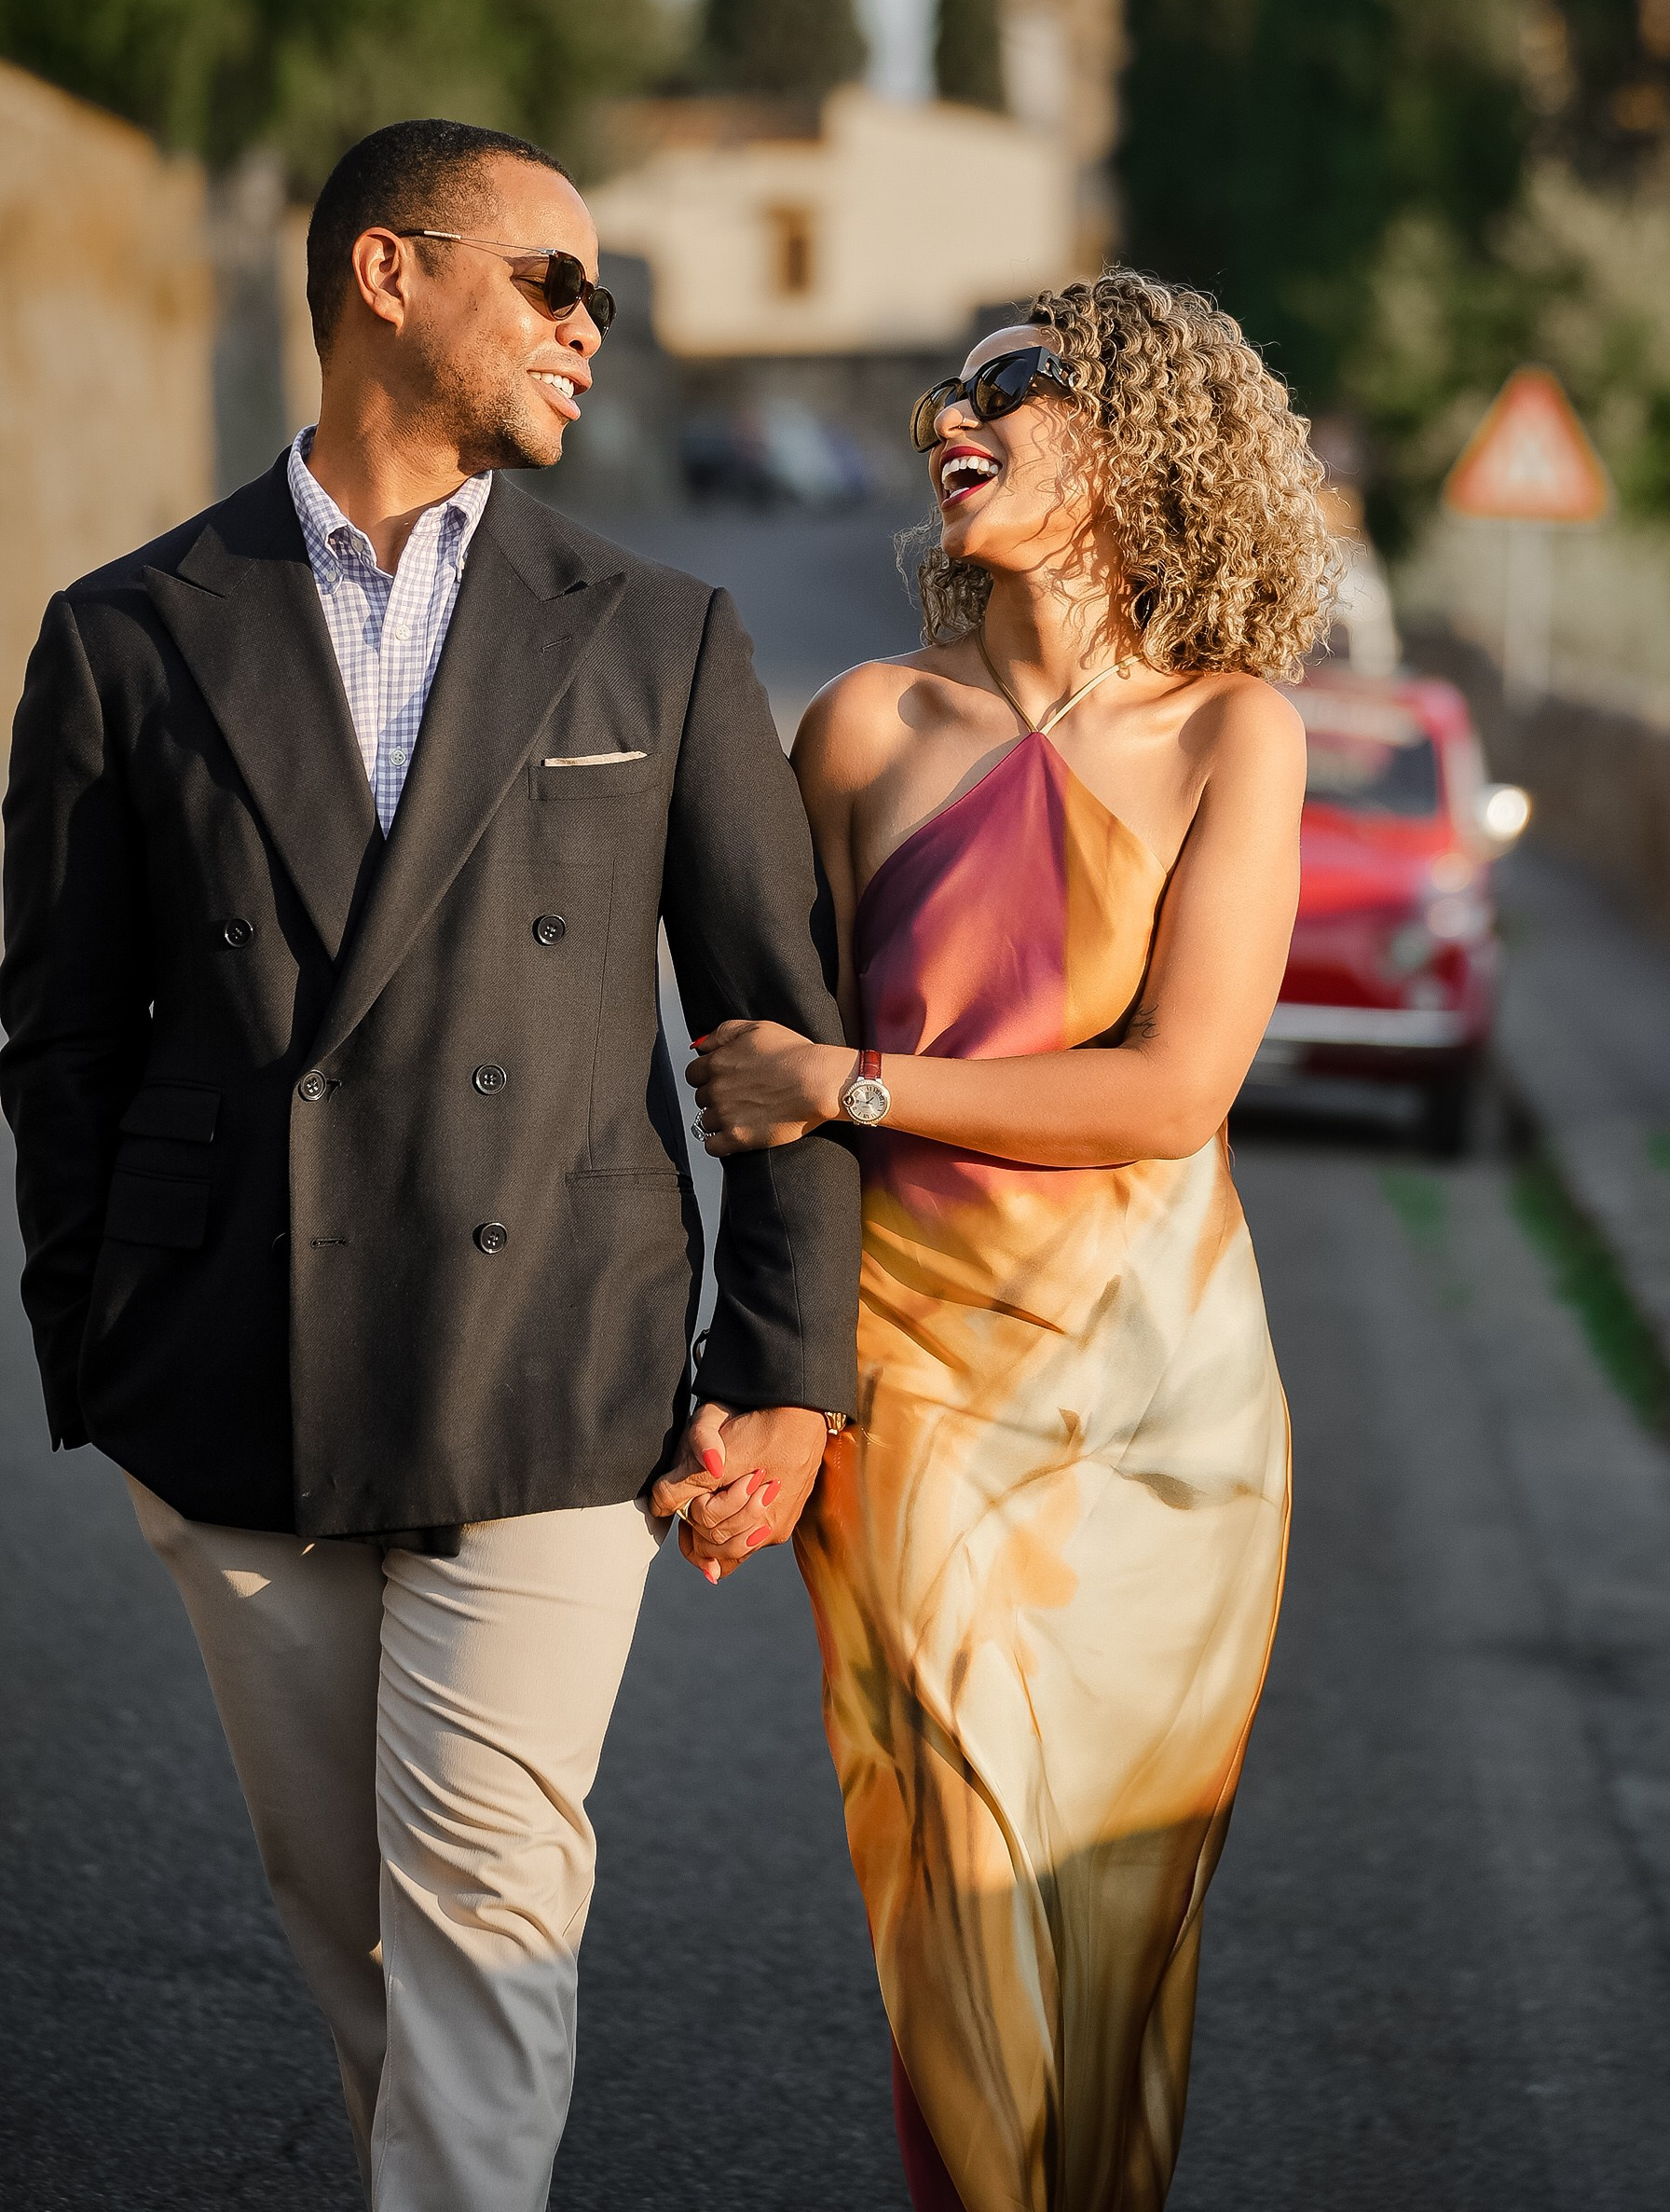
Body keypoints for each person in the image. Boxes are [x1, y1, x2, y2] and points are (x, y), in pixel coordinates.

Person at [1, 117, 858, 2211]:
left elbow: (775, 1040)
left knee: (485, 1913)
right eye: (553, 282)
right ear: (388, 278)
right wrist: (101, 1352)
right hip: (232, 1383)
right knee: (348, 1924)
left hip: (550, 1369)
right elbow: (61, 1035)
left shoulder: (655, 634)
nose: (595, 326)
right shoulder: (129, 633)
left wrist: (790, 1370)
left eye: (602, 297)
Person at [666, 269, 1340, 2212]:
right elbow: (755, 1089)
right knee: (955, 1881)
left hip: (1169, 1416)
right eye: (941, 394)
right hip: (917, 1393)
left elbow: (1166, 1092)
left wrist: (856, 1084)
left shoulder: (1237, 736)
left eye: (1011, 385)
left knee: (1119, 1935)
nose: (948, 419)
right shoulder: (867, 728)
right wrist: (757, 1387)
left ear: (1138, 440)